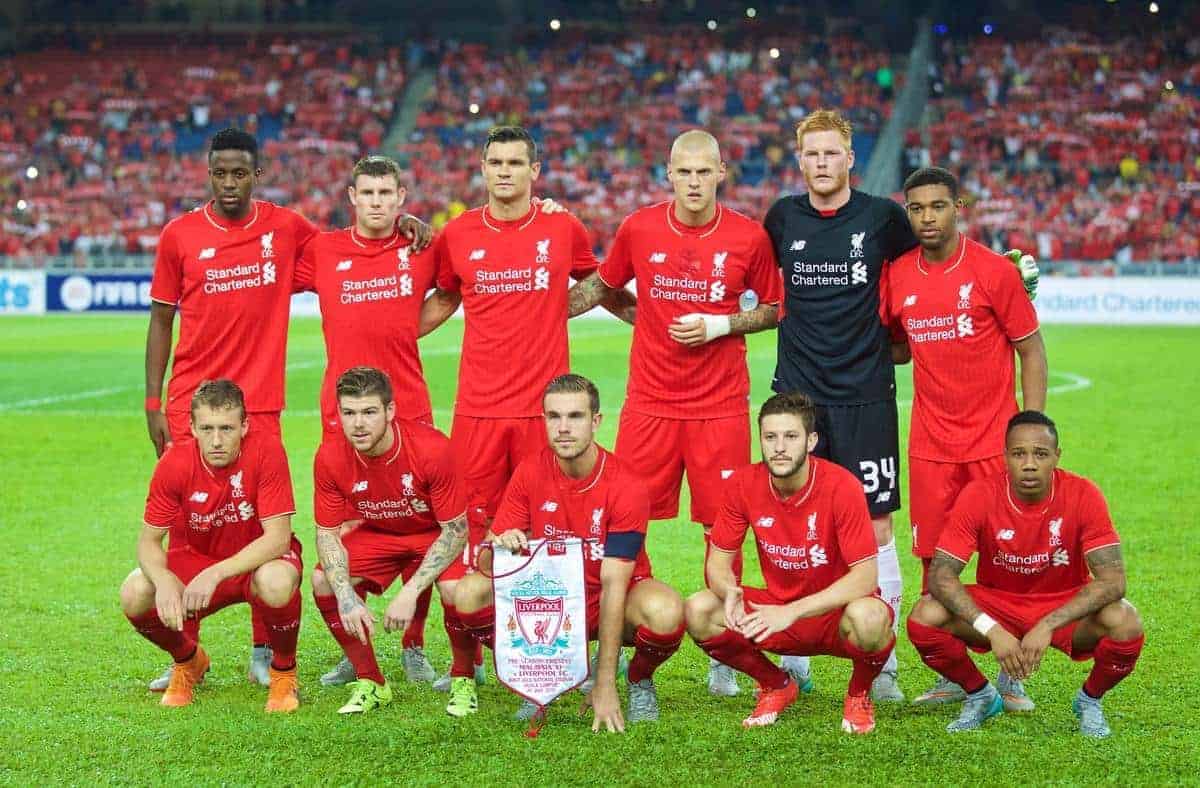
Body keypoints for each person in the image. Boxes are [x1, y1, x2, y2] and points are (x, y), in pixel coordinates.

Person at [144, 128, 431, 690]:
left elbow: (354, 245)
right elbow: (160, 319)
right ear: (208, 173)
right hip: (189, 404)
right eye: (220, 172)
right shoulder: (179, 235)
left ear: (258, 174)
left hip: (260, 404)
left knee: (257, 519)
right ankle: (186, 653)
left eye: (240, 172)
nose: (230, 183)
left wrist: (408, 226)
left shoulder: (287, 228)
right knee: (187, 526)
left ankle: (261, 646)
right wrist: (154, 402)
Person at [566, 129, 783, 696]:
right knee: (624, 520)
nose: (693, 182)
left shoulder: (748, 237)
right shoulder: (640, 227)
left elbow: (775, 308)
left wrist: (723, 323)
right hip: (650, 405)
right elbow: (604, 286)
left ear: (721, 172)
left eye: (702, 172)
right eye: (683, 172)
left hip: (719, 408)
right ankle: (628, 634)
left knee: (725, 528)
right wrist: (539, 304)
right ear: (669, 173)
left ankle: (724, 644)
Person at [421, 126, 635, 696]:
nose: (505, 171)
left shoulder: (561, 227)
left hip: (548, 415)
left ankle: (555, 653)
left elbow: (597, 284)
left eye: (517, 162)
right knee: (471, 537)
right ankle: (466, 666)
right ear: (482, 168)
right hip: (479, 413)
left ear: (535, 170)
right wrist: (392, 336)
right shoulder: (459, 233)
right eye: (496, 162)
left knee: (550, 534)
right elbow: (443, 296)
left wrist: (556, 309)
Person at [762, 110, 916, 699]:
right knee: (794, 519)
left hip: (865, 394)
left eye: (832, 154)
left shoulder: (883, 218)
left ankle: (884, 661)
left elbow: (921, 262)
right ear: (799, 160)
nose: (822, 164)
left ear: (850, 158)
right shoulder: (782, 217)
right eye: (812, 154)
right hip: (797, 396)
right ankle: (794, 647)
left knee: (876, 523)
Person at [886, 166, 1048, 708]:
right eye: (917, 209)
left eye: (937, 206)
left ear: (959, 207)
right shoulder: (899, 275)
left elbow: (1030, 347)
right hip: (931, 446)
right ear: (907, 213)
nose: (927, 217)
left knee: (1006, 564)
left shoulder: (990, 271)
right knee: (936, 568)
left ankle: (1012, 675)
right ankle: (953, 674)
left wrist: (1030, 429)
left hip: (991, 443)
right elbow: (896, 346)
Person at [294, 154, 456, 688]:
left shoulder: (422, 248)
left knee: (421, 522)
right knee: (344, 526)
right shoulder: (321, 250)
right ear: (352, 198)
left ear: (402, 199)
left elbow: (453, 291)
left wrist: (407, 332)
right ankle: (355, 643)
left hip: (407, 402)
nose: (378, 203)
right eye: (368, 194)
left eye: (388, 194)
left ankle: (413, 646)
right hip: (343, 408)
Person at [452, 375, 685, 730]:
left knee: (666, 611)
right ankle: (535, 677)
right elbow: (487, 565)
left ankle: (637, 679)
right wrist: (502, 544)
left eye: (575, 416)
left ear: (596, 421)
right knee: (468, 592)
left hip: (610, 596)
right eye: (553, 417)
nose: (563, 428)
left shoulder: (626, 484)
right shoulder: (530, 472)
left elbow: (614, 585)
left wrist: (604, 684)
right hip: (553, 600)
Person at [907, 412, 1143, 738]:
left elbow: (1114, 580)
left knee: (1126, 621)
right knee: (925, 615)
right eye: (1019, 454)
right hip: (1000, 604)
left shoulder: (1083, 494)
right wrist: (992, 630)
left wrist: (1047, 625)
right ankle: (981, 694)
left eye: (1040, 454)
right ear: (1005, 457)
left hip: (1062, 602)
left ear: (1056, 457)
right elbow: (941, 576)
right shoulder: (979, 494)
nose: (1029, 464)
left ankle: (1089, 700)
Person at [685, 392, 894, 733]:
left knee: (870, 617)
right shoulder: (742, 484)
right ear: (761, 440)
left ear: (811, 441)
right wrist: (728, 592)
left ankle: (858, 694)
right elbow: (718, 562)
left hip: (834, 616)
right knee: (699, 608)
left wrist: (793, 611)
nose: (779, 447)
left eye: (791, 436)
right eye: (770, 437)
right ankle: (776, 685)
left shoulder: (842, 486)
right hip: (776, 612)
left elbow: (865, 578)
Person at [119, 380, 303, 712]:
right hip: (197, 559)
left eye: (226, 428)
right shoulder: (174, 463)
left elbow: (278, 539)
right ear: (192, 428)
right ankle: (188, 660)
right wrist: (162, 582)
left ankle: (284, 672)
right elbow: (148, 541)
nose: (216, 440)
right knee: (135, 592)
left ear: (244, 426)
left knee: (277, 582)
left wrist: (215, 574)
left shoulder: (268, 450)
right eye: (206, 428)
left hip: (254, 562)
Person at [310, 367, 470, 715]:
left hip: (433, 533)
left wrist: (409, 592)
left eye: (369, 412)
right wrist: (346, 597)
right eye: (349, 413)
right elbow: (327, 534)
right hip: (380, 533)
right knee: (323, 580)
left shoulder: (430, 448)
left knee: (458, 591)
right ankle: (372, 681)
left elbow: (456, 531)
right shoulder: (330, 457)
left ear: (390, 411)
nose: (358, 424)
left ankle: (463, 678)